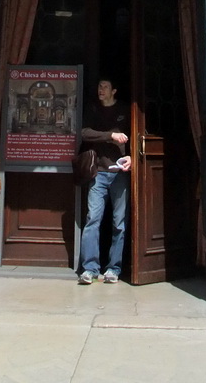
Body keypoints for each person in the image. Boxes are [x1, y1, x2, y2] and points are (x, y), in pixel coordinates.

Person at [78, 78, 132, 284]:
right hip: (98, 172)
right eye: (99, 86)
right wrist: (111, 135)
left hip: (120, 173)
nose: (101, 90)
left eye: (106, 87)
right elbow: (84, 133)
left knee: (119, 222)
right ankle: (90, 268)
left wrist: (133, 156)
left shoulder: (126, 111)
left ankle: (114, 268)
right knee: (93, 219)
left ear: (114, 90)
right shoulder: (92, 110)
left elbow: (136, 135)